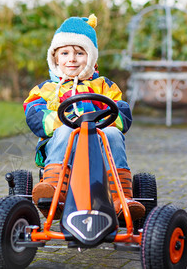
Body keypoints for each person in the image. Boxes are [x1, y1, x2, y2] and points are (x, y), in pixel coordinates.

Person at [23, 14, 145, 221]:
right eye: (65, 53)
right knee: (65, 130)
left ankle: (121, 198)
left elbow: (122, 111)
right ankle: (53, 191)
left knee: (113, 133)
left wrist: (100, 121)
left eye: (80, 53)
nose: (72, 59)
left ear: (91, 58)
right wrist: (66, 120)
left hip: (98, 142)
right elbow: (34, 113)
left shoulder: (104, 86)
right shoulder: (46, 89)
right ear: (55, 58)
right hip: (61, 146)